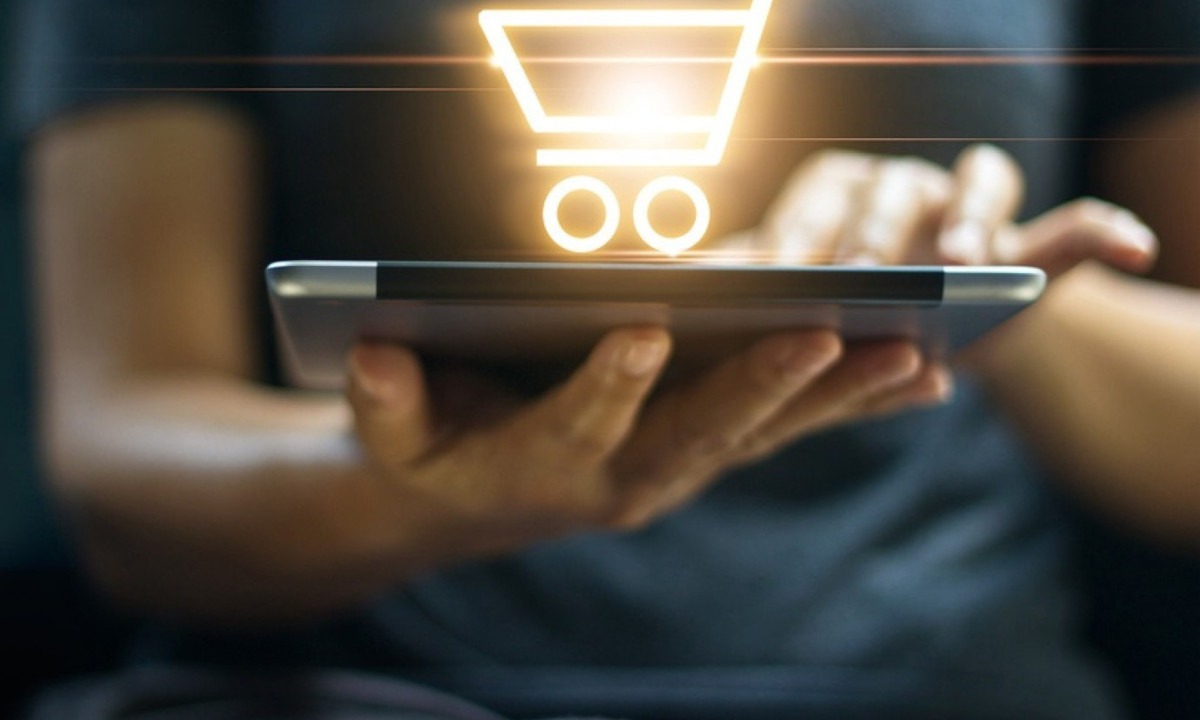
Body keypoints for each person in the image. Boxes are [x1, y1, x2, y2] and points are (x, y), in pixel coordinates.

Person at [13, 0, 1200, 718]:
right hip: (359, 686)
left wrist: (966, 289)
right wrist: (404, 497)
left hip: (940, 687)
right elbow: (122, 464)